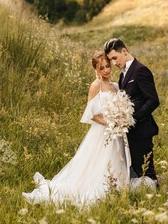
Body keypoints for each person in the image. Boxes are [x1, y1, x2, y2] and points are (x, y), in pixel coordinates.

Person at [22, 51, 130, 206]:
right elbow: (90, 114)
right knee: (96, 163)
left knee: (116, 161)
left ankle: (117, 189)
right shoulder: (96, 86)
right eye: (102, 68)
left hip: (116, 134)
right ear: (96, 69)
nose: (106, 70)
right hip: (102, 132)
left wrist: (120, 118)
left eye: (107, 66)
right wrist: (109, 122)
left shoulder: (115, 85)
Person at [104, 38, 160, 183]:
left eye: (115, 58)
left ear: (124, 51)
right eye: (111, 60)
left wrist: (132, 118)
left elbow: (153, 100)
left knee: (147, 172)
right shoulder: (123, 74)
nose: (114, 63)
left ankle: (154, 195)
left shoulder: (140, 70)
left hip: (142, 130)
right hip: (130, 132)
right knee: (136, 170)